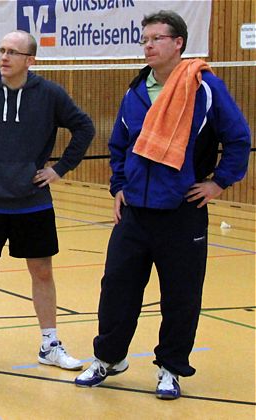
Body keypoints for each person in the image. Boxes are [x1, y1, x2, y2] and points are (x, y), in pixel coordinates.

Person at [74, 10, 250, 399]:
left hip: (182, 212)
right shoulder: (136, 90)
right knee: (116, 288)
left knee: (181, 296)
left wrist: (218, 183)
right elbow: (120, 145)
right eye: (145, 40)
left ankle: (170, 367)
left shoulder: (205, 87)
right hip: (134, 212)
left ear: (178, 43)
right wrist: (119, 187)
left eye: (157, 39)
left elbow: (238, 138)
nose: (148, 46)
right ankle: (109, 358)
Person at [0, 31, 94, 372]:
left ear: (30, 60)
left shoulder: (50, 94)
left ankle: (50, 344)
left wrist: (60, 168)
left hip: (33, 201)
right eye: (1, 50)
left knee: (42, 271)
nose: (4, 57)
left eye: (12, 52)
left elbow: (84, 127)